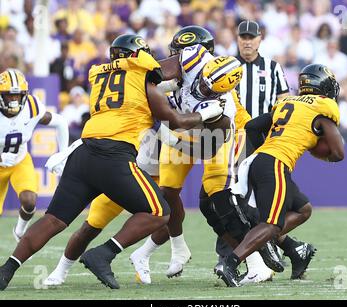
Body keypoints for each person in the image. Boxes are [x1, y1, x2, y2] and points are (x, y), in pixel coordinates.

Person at [0, 34, 224, 291]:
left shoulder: (99, 76)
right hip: (114, 156)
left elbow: (148, 97)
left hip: (84, 154)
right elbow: (176, 120)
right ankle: (103, 254)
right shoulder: (141, 76)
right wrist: (209, 110)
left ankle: (7, 270)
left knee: (53, 219)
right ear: (136, 56)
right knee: (160, 212)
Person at [78, 30, 245, 288]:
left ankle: (256, 259)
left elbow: (211, 139)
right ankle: (170, 249)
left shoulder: (223, 96)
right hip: (181, 135)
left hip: (214, 141)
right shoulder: (186, 68)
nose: (174, 58)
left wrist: (179, 129)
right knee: (166, 194)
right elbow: (162, 97)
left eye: (179, 53)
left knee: (217, 195)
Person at [215, 64, 345, 287]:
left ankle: (295, 252)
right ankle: (231, 263)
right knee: (272, 224)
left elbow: (254, 127)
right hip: (276, 163)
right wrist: (317, 149)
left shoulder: (288, 101)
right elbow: (338, 153)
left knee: (303, 209)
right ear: (323, 85)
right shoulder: (324, 107)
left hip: (259, 160)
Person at [214, 20, 293, 284]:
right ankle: (231, 254)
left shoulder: (272, 68)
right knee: (230, 196)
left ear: (260, 38)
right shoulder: (227, 66)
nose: (247, 41)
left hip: (264, 139)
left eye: (252, 37)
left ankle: (274, 252)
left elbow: (283, 102)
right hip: (232, 138)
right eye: (243, 37)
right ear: (237, 39)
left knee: (260, 199)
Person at [0, 68, 69, 242]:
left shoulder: (31, 107)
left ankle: (20, 232)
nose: (14, 100)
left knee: (30, 200)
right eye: (10, 95)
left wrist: (63, 154)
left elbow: (60, 122)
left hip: (19, 161)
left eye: (18, 95)